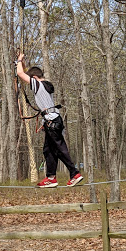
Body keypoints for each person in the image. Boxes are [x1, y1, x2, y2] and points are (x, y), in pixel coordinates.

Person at [16, 53, 83, 188]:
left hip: (52, 121)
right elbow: (24, 74)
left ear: (34, 78)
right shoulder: (45, 85)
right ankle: (51, 177)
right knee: (49, 150)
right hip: (52, 120)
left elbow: (20, 74)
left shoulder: (39, 85)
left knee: (59, 149)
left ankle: (74, 173)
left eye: (31, 80)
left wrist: (17, 61)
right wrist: (22, 62)